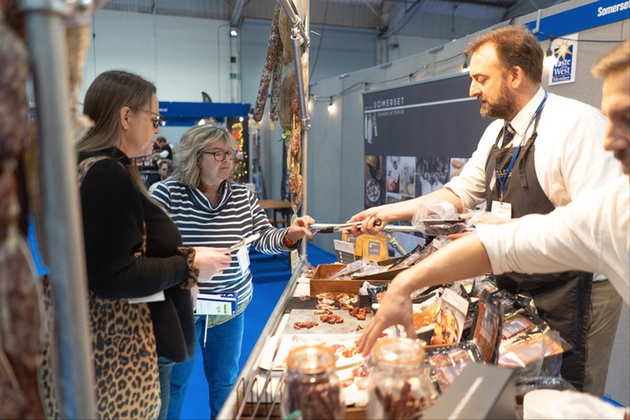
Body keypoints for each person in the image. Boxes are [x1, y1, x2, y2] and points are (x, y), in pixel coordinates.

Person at [350, 25, 623, 394]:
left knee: (568, 392)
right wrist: (389, 213)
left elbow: (591, 230)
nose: (472, 89)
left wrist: (497, 226)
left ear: (515, 75)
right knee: (523, 393)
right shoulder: (498, 132)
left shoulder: (577, 126)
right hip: (520, 282)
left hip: (576, 293)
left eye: (480, 78)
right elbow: (462, 192)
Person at [54, 70, 231, 419]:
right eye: (154, 118)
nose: (157, 129)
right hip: (129, 344)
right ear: (125, 116)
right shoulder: (106, 174)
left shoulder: (88, 165)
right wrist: (190, 265)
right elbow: (112, 274)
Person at [150, 122, 315, 419]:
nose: (228, 160)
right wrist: (190, 261)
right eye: (219, 153)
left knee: (225, 382)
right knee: (174, 386)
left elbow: (262, 238)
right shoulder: (165, 195)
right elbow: (149, 250)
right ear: (195, 157)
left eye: (231, 154)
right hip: (181, 307)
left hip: (230, 306)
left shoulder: (242, 196)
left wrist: (289, 235)